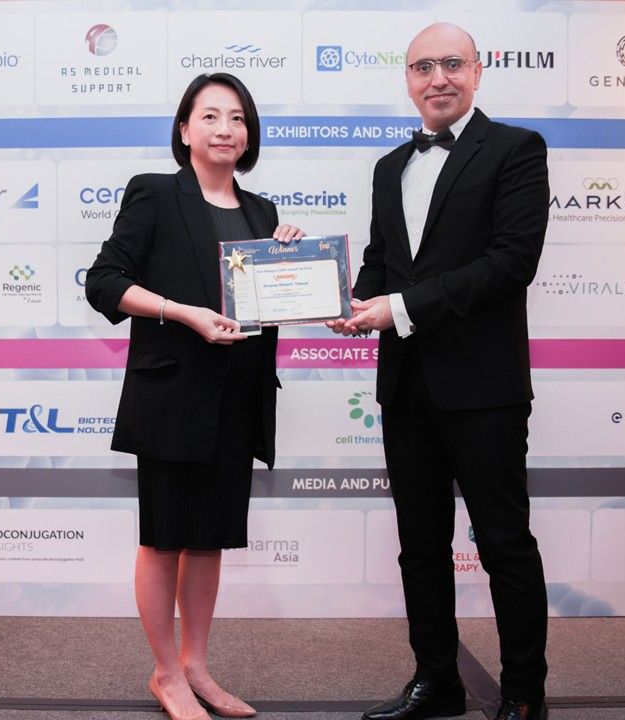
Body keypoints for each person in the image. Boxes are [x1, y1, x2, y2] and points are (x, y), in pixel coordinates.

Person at [327, 22, 550, 720]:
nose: (438, 78)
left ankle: (524, 694)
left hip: (484, 388)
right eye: (423, 67)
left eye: (452, 63)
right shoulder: (389, 166)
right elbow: (382, 260)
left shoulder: (516, 149)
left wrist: (398, 308)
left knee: (504, 544)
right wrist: (350, 304)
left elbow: (511, 264)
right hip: (406, 386)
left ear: (478, 72)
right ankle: (436, 682)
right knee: (420, 548)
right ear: (408, 79)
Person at [86, 72, 304, 720]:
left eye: (237, 118)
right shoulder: (155, 194)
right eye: (210, 116)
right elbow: (104, 282)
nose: (224, 129)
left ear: (249, 134)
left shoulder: (263, 213)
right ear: (184, 130)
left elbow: (266, 303)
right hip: (172, 394)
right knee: (164, 539)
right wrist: (182, 312)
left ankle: (195, 667)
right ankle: (164, 673)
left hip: (237, 397)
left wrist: (293, 266)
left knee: (208, 541)